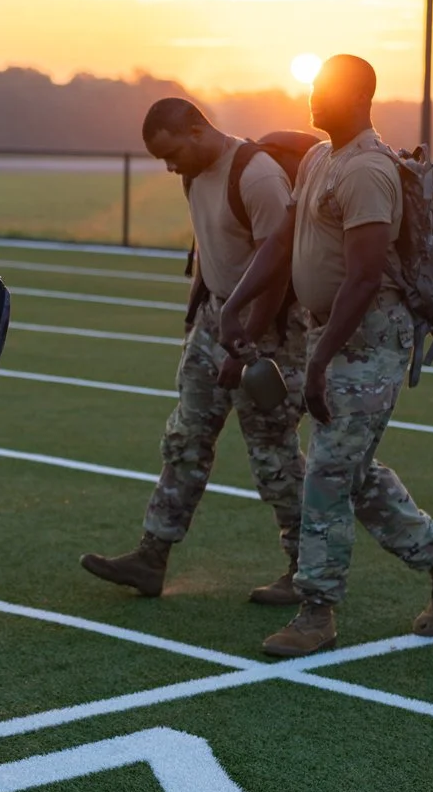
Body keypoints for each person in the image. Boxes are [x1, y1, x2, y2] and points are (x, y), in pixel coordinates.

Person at [243, 55, 433, 657]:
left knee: (328, 476)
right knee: (350, 470)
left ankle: (317, 612)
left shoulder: (366, 171)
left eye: (325, 91)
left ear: (359, 97)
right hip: (330, 334)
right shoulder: (319, 158)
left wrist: (321, 361)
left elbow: (362, 279)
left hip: (367, 340)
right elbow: (284, 239)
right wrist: (239, 307)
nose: (313, 99)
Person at [80, 98, 308, 604]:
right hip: (214, 322)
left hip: (266, 334)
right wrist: (198, 317)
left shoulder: (258, 176)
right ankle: (151, 557)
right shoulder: (194, 174)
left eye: (172, 153)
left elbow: (279, 268)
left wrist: (243, 342)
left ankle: (305, 568)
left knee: (273, 455)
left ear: (199, 130)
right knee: (185, 439)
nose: (169, 167)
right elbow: (209, 247)